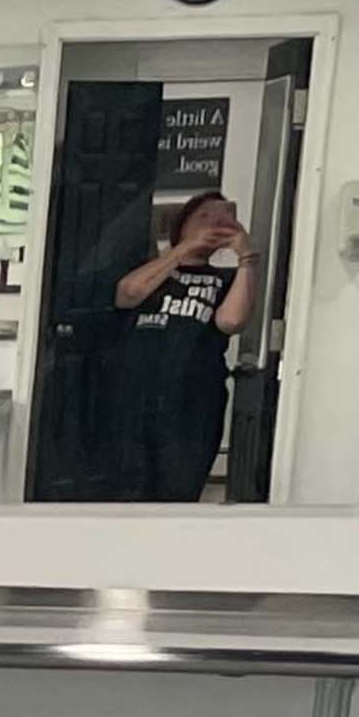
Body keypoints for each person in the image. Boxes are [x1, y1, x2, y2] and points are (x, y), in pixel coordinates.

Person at [109, 192, 257, 501]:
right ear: (183, 225)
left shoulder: (225, 278)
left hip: (193, 400)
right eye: (203, 218)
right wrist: (183, 249)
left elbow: (231, 322)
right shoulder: (154, 270)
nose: (212, 226)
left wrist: (246, 258)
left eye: (221, 220)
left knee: (178, 490)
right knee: (125, 488)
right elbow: (127, 294)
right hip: (135, 394)